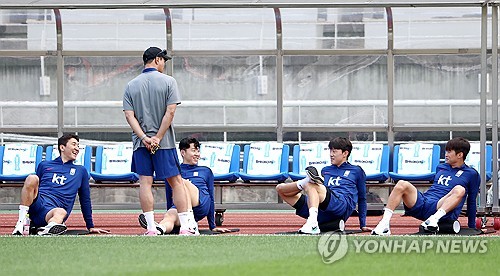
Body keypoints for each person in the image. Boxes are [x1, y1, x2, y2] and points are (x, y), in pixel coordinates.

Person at [123, 46, 196, 235]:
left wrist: (144, 138)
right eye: (163, 60)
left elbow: (129, 117)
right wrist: (158, 137)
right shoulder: (169, 82)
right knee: (176, 182)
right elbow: (170, 112)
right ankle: (186, 227)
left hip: (141, 144)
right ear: (156, 60)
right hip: (164, 143)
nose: (164, 63)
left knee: (145, 183)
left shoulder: (131, 85)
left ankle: (150, 228)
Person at [372, 137, 480, 236]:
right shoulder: (441, 167)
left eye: (449, 151)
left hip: (442, 208)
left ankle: (433, 220)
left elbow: (471, 201)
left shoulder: (471, 174)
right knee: (402, 184)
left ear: (460, 155)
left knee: (459, 189)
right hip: (425, 202)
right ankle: (384, 224)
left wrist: (472, 227)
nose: (446, 154)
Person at [12, 134, 109, 235]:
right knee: (32, 178)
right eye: (74, 144)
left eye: (78, 146)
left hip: (53, 211)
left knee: (61, 212)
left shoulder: (81, 171)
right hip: (37, 203)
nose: (77, 149)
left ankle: (47, 228)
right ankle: (21, 222)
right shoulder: (44, 165)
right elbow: (33, 188)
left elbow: (85, 200)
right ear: (62, 147)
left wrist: (90, 226)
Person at [276, 137, 370, 235]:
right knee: (280, 189)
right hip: (324, 206)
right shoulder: (326, 170)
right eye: (330, 151)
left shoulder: (356, 170)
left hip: (341, 204)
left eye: (334, 151)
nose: (331, 154)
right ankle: (318, 220)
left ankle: (312, 222)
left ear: (345, 153)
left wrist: (362, 224)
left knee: (311, 184)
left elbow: (362, 198)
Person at [139, 137, 231, 234]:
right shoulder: (174, 171)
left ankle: (190, 223)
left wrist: (212, 226)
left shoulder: (205, 171)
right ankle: (159, 229)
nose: (197, 154)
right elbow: (169, 196)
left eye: (198, 151)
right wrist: (170, 212)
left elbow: (211, 197)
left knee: (181, 183)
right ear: (183, 153)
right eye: (193, 151)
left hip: (200, 203)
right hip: (181, 206)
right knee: (169, 217)